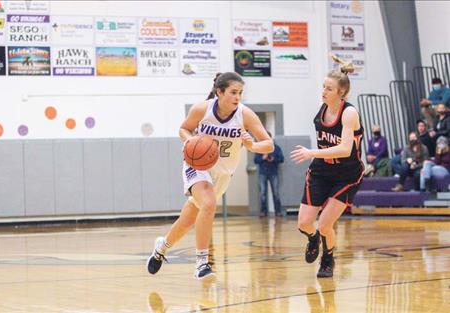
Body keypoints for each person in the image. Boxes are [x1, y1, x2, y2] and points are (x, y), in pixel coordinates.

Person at [146, 72, 273, 280]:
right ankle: (202, 262)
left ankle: (162, 247)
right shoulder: (202, 109)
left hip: (223, 173)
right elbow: (183, 129)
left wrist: (252, 145)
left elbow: (268, 144)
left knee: (188, 220)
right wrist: (190, 141)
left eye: (240, 93)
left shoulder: (245, 114)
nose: (237, 97)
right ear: (219, 92)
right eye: (233, 92)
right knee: (209, 203)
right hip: (197, 164)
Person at [290, 56, 363, 278]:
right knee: (304, 223)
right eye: (323, 86)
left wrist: (312, 152)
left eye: (329, 88)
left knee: (324, 225)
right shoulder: (322, 109)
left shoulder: (349, 113)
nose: (323, 91)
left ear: (341, 93)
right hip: (322, 171)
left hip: (346, 173)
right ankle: (313, 239)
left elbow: (344, 149)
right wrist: (316, 157)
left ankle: (328, 258)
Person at [254, 131, 284, 217]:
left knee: (276, 193)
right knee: (263, 193)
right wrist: (263, 158)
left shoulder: (276, 148)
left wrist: (273, 159)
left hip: (273, 172)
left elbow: (281, 159)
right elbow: (255, 160)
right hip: (262, 173)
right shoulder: (259, 148)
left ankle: (278, 211)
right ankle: (263, 212)